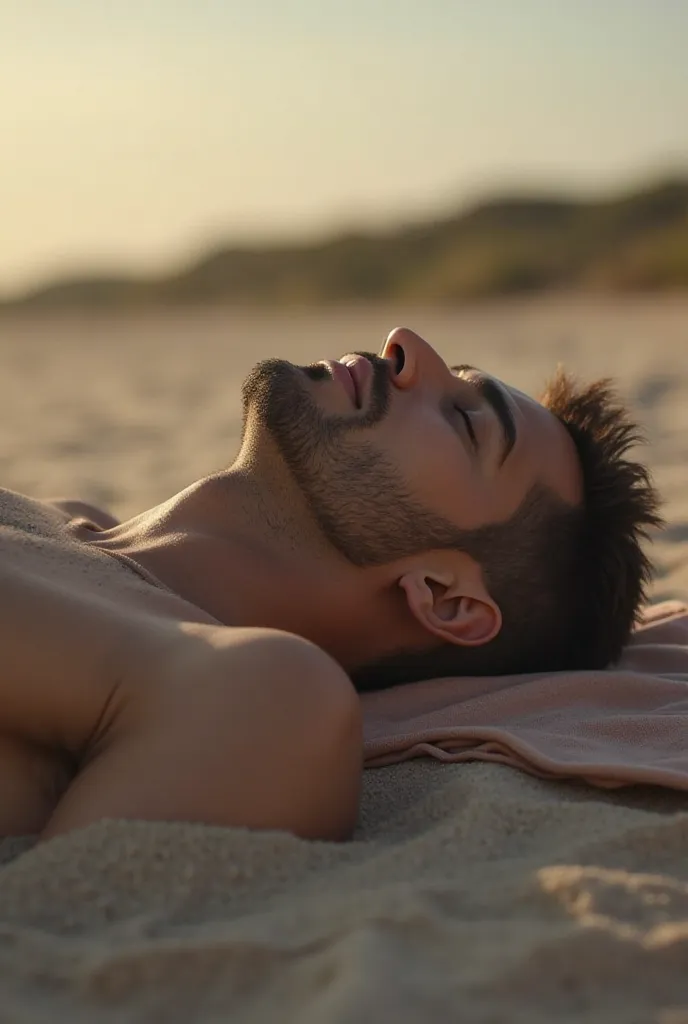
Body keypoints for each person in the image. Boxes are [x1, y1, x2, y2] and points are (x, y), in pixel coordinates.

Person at [0, 327, 661, 842]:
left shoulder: (267, 696)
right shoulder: (60, 520)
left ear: (446, 599)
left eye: (465, 422)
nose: (405, 344)